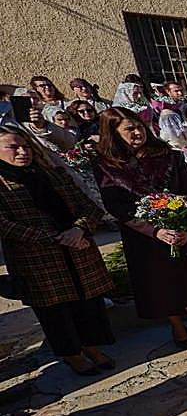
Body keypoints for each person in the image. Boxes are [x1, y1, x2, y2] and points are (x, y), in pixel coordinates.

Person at [0, 126, 116, 375]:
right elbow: (5, 226)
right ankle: (72, 354)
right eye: (13, 147)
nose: (23, 152)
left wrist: (79, 229)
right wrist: (58, 238)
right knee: (55, 311)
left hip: (78, 248)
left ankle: (92, 347)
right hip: (38, 258)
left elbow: (90, 207)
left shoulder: (53, 175)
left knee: (88, 303)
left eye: (26, 146)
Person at [92, 108, 187, 347]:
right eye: (129, 129)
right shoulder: (107, 165)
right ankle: (177, 325)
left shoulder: (167, 153)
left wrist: (182, 218)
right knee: (162, 280)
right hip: (145, 234)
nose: (137, 132)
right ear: (113, 133)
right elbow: (116, 206)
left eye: (139, 126)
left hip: (185, 224)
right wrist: (156, 231)